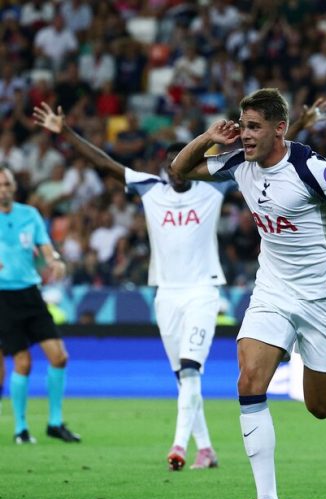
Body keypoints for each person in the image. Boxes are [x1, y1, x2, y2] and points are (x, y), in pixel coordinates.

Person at [170, 88, 326, 499]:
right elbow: (180, 171)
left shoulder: (310, 168)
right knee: (249, 381)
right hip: (273, 289)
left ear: (280, 129)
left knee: (319, 408)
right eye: (243, 125)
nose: (246, 135)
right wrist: (208, 136)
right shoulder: (238, 162)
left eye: (254, 127)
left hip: (324, 297)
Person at [33, 102, 232, 470]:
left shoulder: (213, 191)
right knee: (183, 378)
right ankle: (206, 449)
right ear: (167, 168)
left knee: (190, 370)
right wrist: (66, 133)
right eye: (174, 165)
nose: (178, 171)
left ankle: (179, 447)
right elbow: (105, 164)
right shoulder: (150, 189)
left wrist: (294, 125)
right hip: (165, 295)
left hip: (203, 291)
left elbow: (265, 160)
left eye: (185, 164)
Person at [0, 167, 80, 444]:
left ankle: (54, 423)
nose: (4, 189)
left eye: (7, 184)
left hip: (31, 294)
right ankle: (21, 429)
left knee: (60, 357)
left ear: (13, 186)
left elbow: (45, 248)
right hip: (3, 297)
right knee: (22, 363)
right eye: (0, 185)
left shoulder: (29, 215)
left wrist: (55, 260)